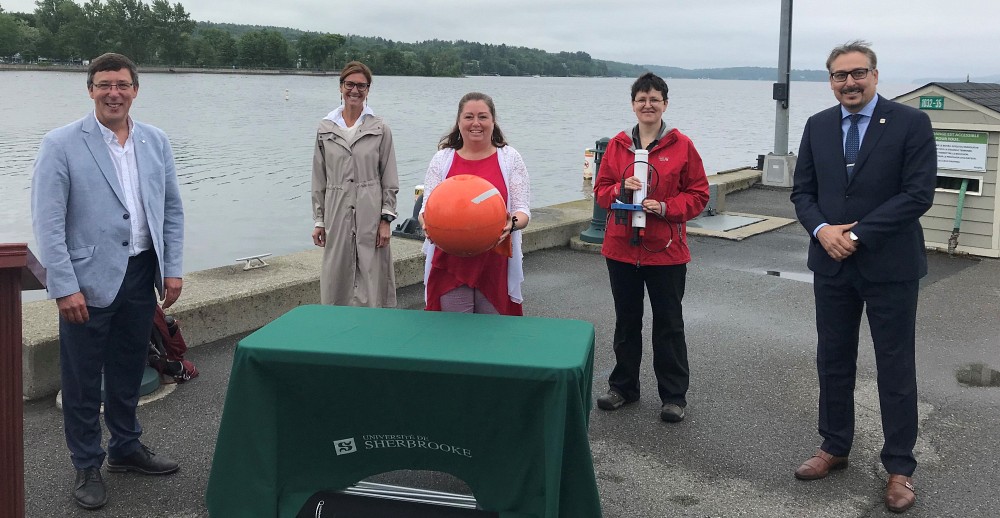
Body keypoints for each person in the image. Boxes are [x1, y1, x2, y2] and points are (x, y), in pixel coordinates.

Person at [30, 52, 185, 510]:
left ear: (135, 89)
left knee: (128, 367)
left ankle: (125, 447)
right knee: (81, 379)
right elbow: (48, 223)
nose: (113, 93)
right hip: (86, 281)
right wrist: (63, 286)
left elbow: (171, 209)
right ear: (90, 90)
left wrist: (172, 267)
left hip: (140, 273)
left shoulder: (155, 141)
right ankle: (86, 463)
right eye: (104, 85)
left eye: (121, 84)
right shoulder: (60, 144)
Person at [789, 40, 936, 514]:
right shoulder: (818, 125)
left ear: (874, 75)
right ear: (830, 81)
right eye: (840, 75)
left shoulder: (911, 123)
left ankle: (899, 467)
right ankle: (834, 446)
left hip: (890, 266)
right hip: (830, 263)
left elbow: (918, 194)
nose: (849, 82)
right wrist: (822, 230)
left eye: (858, 73)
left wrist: (856, 235)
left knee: (895, 366)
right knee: (833, 359)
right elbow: (803, 192)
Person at [593, 73, 709, 423]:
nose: (648, 105)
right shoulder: (617, 146)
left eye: (654, 99)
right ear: (633, 105)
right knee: (626, 322)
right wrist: (620, 189)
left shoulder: (682, 145)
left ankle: (673, 396)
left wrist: (666, 207)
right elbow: (601, 191)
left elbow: (699, 194)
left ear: (665, 104)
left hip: (666, 251)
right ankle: (623, 387)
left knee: (669, 324)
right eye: (641, 99)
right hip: (622, 250)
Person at [419, 92, 530, 315]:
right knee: (456, 331)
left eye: (483, 117)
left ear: (493, 121)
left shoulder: (510, 158)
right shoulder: (442, 159)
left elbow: (522, 210)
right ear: (459, 121)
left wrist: (511, 224)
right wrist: (426, 224)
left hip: (494, 262)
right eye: (469, 117)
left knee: (491, 332)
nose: (476, 123)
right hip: (450, 262)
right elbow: (426, 209)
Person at [311, 61, 399, 307]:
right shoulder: (325, 129)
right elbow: (319, 177)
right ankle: (337, 325)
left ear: (368, 90)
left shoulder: (380, 129)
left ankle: (373, 326)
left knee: (372, 274)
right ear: (341, 87)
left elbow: (389, 177)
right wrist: (319, 220)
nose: (355, 91)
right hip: (337, 208)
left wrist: (385, 220)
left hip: (370, 209)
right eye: (350, 84)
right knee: (336, 275)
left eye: (361, 86)